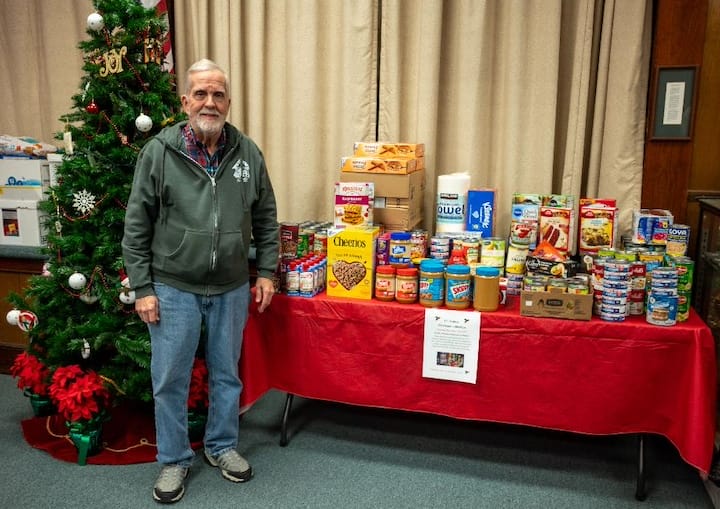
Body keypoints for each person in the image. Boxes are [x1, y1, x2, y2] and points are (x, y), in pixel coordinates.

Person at [122, 58, 280, 504]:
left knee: (227, 374)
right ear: (186, 100)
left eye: (219, 94)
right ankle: (174, 459)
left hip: (230, 285)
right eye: (202, 94)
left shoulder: (246, 151)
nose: (210, 102)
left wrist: (265, 270)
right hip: (173, 286)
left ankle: (221, 446)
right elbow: (137, 225)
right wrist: (143, 288)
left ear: (228, 101)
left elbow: (266, 216)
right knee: (170, 377)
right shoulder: (159, 151)